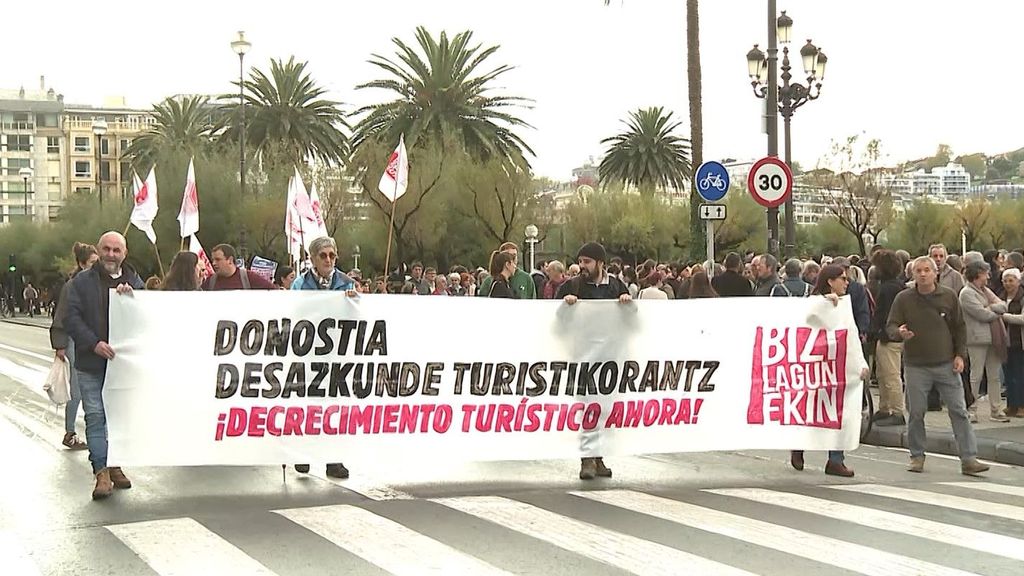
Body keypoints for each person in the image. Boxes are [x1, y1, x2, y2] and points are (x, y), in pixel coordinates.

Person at [886, 256, 990, 476]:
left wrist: (960, 355)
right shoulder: (903, 298)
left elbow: (959, 328)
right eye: (918, 271)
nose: (923, 274)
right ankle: (916, 456)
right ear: (912, 274)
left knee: (959, 411)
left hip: (946, 363)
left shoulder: (949, 296)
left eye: (927, 270)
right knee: (916, 412)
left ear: (935, 273)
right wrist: (899, 333)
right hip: (916, 365)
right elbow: (891, 326)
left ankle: (969, 458)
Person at [64, 232, 145, 499]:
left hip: (122, 367)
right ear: (99, 251)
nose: (111, 254)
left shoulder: (135, 281)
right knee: (96, 417)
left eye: (116, 250)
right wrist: (93, 343)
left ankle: (115, 464)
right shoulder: (81, 283)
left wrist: (133, 299)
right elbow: (71, 318)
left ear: (125, 252)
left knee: (119, 419)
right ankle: (101, 472)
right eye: (106, 249)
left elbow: (146, 316)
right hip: (91, 364)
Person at [556, 242, 631, 480]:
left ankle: (598, 457)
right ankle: (587, 459)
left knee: (603, 408)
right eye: (580, 261)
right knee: (588, 406)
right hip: (583, 355)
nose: (582, 266)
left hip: (609, 356)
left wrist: (628, 303)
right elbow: (553, 315)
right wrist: (564, 303)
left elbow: (632, 317)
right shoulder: (573, 285)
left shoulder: (616, 286)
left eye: (587, 262)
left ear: (600, 263)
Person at [291, 237, 357, 479]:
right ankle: (303, 455)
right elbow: (294, 313)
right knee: (307, 405)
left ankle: (333, 459)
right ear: (313, 259)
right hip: (308, 353)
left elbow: (357, 319)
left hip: (336, 355)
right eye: (323, 256)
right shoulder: (300, 284)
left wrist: (353, 302)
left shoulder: (347, 283)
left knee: (334, 407)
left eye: (332, 255)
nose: (328, 259)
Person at [790, 264, 857, 477]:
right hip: (814, 365)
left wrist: (859, 364)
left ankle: (835, 460)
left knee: (838, 411)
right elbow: (806, 322)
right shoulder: (814, 302)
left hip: (835, 366)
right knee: (810, 409)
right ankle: (798, 446)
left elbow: (850, 333)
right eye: (843, 279)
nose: (847, 283)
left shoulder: (844, 305)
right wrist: (824, 305)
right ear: (830, 281)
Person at [49, 242, 98, 451]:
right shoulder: (74, 285)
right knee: (77, 388)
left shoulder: (96, 282)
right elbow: (62, 315)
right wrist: (60, 345)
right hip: (73, 340)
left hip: (89, 341)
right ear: (82, 263)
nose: (97, 266)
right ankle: (70, 432)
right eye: (93, 262)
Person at [959, 260, 1011, 423]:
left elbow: (1004, 306)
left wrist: (991, 307)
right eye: (986, 273)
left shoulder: (986, 291)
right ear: (978, 274)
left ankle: (996, 409)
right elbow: (982, 314)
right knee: (976, 375)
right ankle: (971, 408)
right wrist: (993, 309)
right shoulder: (967, 293)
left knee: (994, 375)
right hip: (977, 339)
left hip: (993, 339)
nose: (988, 276)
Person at [868, 249, 907, 426]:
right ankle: (885, 407)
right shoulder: (897, 286)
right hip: (891, 336)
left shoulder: (887, 288)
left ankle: (897, 411)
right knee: (884, 374)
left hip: (888, 337)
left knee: (890, 376)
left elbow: (882, 314)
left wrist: (877, 331)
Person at [1000, 268, 1024, 417]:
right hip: (1004, 342)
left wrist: (1005, 316)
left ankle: (1021, 405)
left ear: (1018, 281)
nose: (1008, 284)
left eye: (1011, 280)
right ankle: (1011, 405)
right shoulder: (1000, 296)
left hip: (1019, 342)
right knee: (1008, 375)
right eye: (1006, 280)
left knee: (1020, 374)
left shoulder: (1022, 297)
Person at [203, 244, 277, 290]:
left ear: (230, 260)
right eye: (213, 260)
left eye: (218, 259)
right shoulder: (210, 282)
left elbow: (273, 293)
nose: (213, 263)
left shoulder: (248, 277)